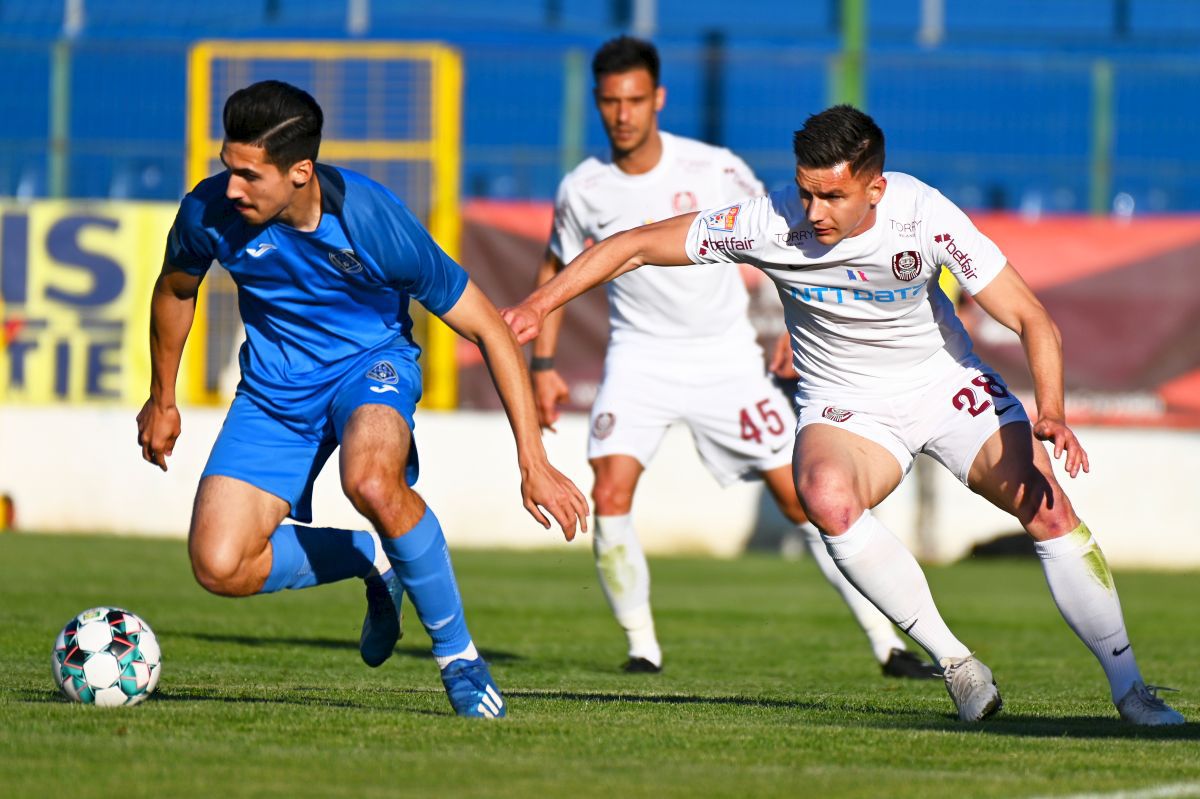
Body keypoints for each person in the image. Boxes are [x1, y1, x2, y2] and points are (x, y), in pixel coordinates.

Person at [504, 104, 1184, 725]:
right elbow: (633, 244)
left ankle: (1131, 691)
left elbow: (1032, 318)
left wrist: (1052, 409)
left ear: (875, 188)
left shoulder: (923, 214)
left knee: (1049, 508)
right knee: (825, 498)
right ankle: (956, 663)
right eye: (806, 191)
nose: (814, 211)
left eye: (832, 196)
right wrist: (540, 304)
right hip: (846, 404)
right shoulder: (768, 221)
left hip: (943, 384)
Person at [136, 80, 588, 719]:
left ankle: (459, 659)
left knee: (372, 480)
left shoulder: (372, 221)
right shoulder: (208, 212)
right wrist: (162, 399)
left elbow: (489, 327)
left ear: (300, 171)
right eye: (227, 168)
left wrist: (533, 460)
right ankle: (371, 558)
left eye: (248, 175)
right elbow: (175, 290)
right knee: (219, 565)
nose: (231, 188)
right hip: (274, 393)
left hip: (370, 369)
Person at [529, 36, 936, 679]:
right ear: (597, 103)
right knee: (608, 489)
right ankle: (642, 650)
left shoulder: (713, 168)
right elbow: (557, 264)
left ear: (658, 99)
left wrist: (797, 319)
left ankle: (890, 645)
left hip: (725, 359)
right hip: (638, 359)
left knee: (804, 501)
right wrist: (543, 366)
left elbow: (787, 232)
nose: (622, 114)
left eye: (634, 99)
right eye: (610, 101)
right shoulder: (582, 188)